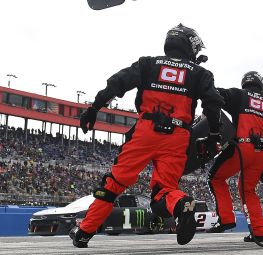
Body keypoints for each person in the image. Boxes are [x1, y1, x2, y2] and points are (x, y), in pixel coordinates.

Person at [69, 24, 225, 248]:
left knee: (113, 184)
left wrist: (94, 108)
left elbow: (117, 82)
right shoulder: (200, 73)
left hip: (145, 131)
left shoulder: (148, 63)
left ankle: (84, 232)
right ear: (190, 46)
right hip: (178, 135)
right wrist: (214, 135)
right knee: (165, 189)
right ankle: (182, 204)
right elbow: (213, 104)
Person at [208, 71, 263, 242]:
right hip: (261, 153)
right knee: (247, 189)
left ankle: (226, 220)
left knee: (215, 178)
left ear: (245, 83)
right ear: (261, 85)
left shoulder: (238, 95)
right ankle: (259, 232)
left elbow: (214, 94)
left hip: (241, 147)